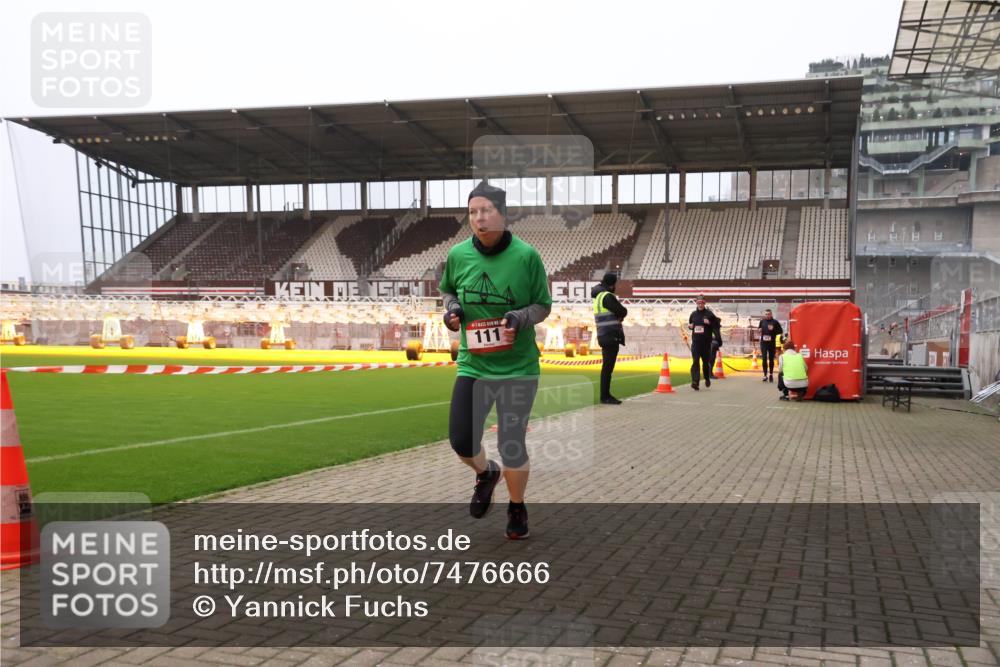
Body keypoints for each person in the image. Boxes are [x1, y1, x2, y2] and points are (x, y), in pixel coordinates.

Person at [440, 181, 552, 540]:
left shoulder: (526, 256)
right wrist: (452, 310)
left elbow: (543, 305)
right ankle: (486, 473)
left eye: (486, 210)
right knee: (461, 440)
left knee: (511, 442)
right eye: (473, 212)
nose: (479, 218)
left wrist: (520, 318)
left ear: (503, 214)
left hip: (517, 368)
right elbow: (448, 291)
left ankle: (516, 506)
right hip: (474, 365)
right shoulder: (458, 255)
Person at [591, 272, 628, 405]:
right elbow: (622, 311)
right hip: (610, 335)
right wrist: (620, 315)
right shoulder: (607, 296)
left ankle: (605, 395)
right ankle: (605, 396)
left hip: (603, 334)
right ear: (612, 284)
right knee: (608, 368)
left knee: (607, 367)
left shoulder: (598, 297)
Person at [687, 296, 722, 391]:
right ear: (696, 303)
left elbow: (717, 325)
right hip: (696, 342)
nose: (700, 304)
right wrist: (690, 326)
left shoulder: (709, 314)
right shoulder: (693, 314)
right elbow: (690, 325)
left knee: (705, 363)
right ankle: (695, 382)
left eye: (701, 303)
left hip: (706, 343)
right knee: (695, 361)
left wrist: (709, 323)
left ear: (704, 303)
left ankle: (707, 377)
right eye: (698, 303)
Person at [757, 308, 783, 383]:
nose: (767, 315)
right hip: (763, 343)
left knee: (771, 359)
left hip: (771, 343)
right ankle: (765, 375)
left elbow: (780, 331)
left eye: (769, 314)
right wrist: (759, 330)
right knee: (764, 358)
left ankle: (771, 374)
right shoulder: (762, 321)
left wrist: (773, 329)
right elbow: (759, 328)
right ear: (764, 315)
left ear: (771, 314)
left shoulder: (775, 322)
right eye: (766, 314)